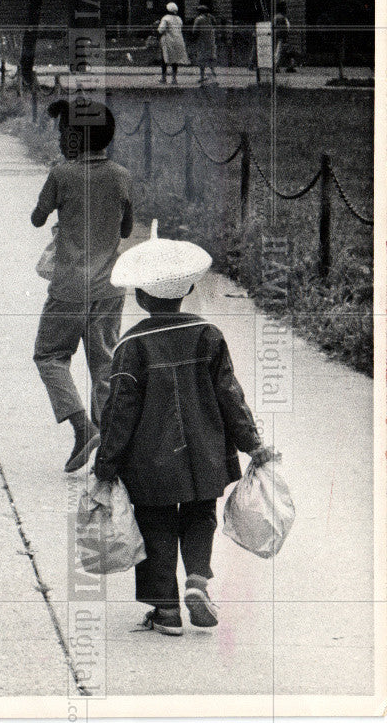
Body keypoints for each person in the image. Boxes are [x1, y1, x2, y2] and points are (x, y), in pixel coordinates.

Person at [93, 221, 278, 635]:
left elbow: (119, 410)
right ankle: (197, 579)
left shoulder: (131, 345)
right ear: (189, 290)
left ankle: (166, 611)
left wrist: (106, 461)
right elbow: (231, 395)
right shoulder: (207, 335)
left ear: (140, 296)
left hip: (150, 461)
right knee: (199, 516)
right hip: (206, 454)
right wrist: (254, 445)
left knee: (155, 525)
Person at [31, 98, 134, 473]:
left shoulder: (61, 173)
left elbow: (37, 218)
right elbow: (125, 228)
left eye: (63, 133)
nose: (59, 140)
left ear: (75, 137)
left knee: (50, 356)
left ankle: (82, 426)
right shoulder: (121, 175)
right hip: (109, 287)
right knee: (104, 365)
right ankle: (110, 455)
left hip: (70, 288)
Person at [157, 2, 189, 84]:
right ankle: (174, 78)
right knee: (175, 60)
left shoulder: (165, 18)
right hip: (178, 40)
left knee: (165, 59)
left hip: (168, 40)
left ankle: (163, 78)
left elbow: (161, 30)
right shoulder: (179, 18)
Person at [191, 4, 218, 83]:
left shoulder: (198, 19)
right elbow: (215, 26)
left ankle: (202, 76)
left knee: (201, 58)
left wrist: (194, 38)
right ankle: (213, 72)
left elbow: (195, 30)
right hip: (211, 40)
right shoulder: (211, 17)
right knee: (211, 57)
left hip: (202, 41)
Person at [273, 2, 296, 72]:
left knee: (282, 51)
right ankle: (278, 66)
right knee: (282, 52)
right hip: (282, 37)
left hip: (280, 37)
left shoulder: (277, 17)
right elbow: (284, 28)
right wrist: (284, 37)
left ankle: (288, 66)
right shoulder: (282, 18)